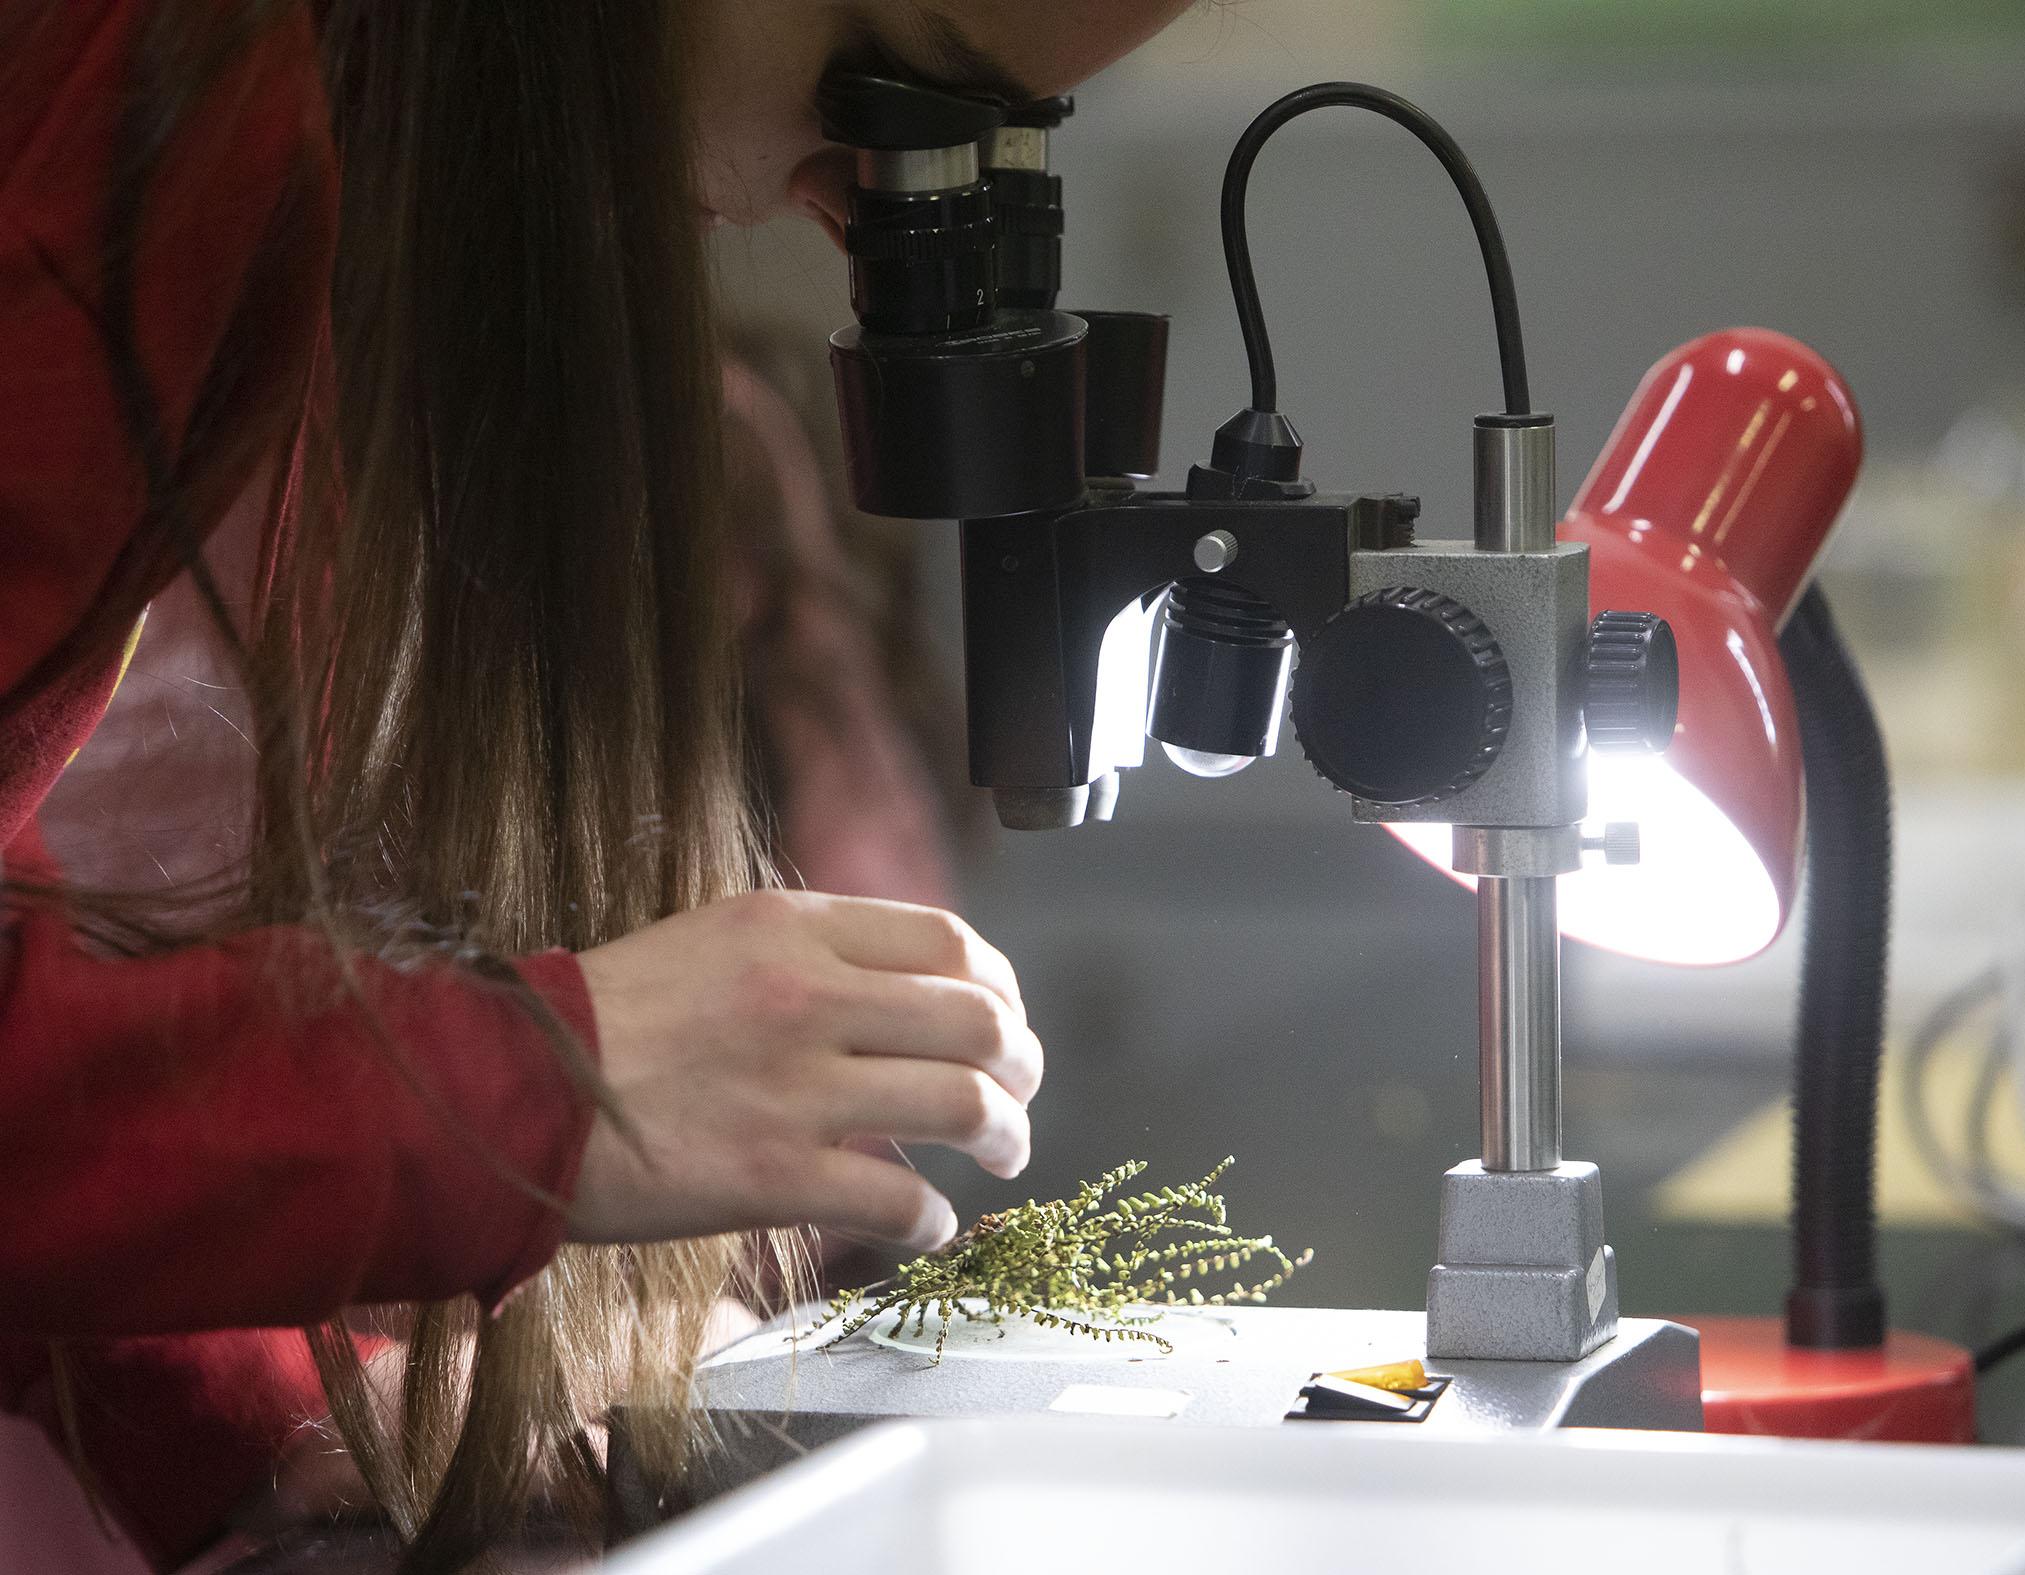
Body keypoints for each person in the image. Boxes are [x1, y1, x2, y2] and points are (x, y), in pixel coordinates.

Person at [0, 0, 1191, 1566]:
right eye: (884, 90)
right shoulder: (169, 84)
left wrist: (262, 1416)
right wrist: (522, 1087)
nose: (843, 203)